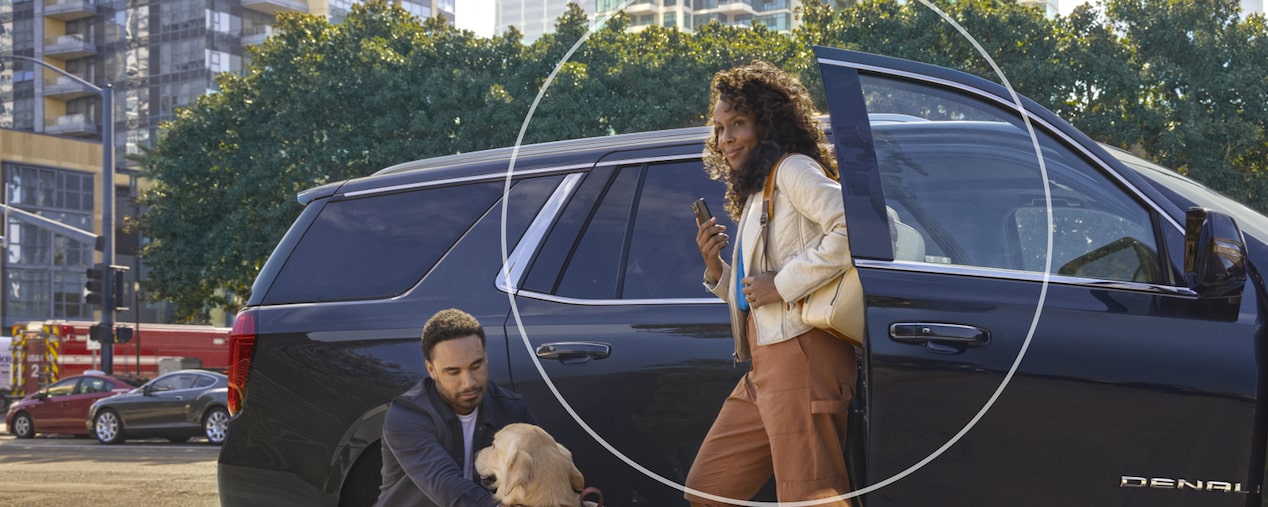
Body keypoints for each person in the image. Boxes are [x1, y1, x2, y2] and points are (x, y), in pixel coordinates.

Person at [688, 60, 857, 506]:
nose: (725, 139)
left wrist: (782, 284)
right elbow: (755, 294)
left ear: (768, 122)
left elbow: (856, 230)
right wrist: (717, 269)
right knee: (708, 489)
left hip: (802, 354)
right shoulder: (757, 192)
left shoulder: (793, 170)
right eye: (720, 129)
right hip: (765, 363)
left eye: (737, 124)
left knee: (810, 499)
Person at [377, 308, 536, 506]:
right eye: (453, 372)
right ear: (431, 370)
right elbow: (445, 485)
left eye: (476, 366)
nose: (468, 382)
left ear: (485, 356)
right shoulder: (406, 415)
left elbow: (538, 476)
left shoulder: (513, 410)